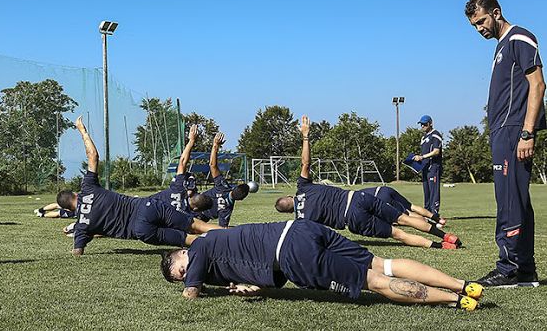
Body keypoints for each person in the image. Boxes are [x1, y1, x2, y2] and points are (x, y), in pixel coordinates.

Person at [160, 219, 483, 310]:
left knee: (374, 282)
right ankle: (462, 284)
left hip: (292, 252)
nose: (188, 275)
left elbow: (191, 295)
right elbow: (253, 263)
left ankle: (456, 299)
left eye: (181, 271)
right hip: (299, 228)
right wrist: (257, 286)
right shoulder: (217, 245)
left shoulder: (198, 250)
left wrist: (188, 290)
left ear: (182, 255)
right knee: (381, 264)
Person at [274, 116, 461, 249]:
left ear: (290, 211)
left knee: (398, 234)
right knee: (404, 218)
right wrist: (305, 136)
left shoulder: (302, 219)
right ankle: (446, 236)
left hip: (352, 219)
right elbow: (305, 162)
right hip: (358, 198)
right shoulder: (302, 187)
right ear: (290, 196)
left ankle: (440, 246)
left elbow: (319, 236)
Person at [465, 0, 545, 287]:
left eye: (481, 21)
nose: (479, 29)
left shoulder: (519, 38)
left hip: (514, 130)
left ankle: (508, 268)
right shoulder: (500, 46)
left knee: (510, 201)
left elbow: (538, 84)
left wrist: (527, 132)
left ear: (496, 12)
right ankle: (524, 269)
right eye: (474, 25)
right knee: (516, 201)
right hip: (502, 131)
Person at [56, 116, 222, 256]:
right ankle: (232, 237)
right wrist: (82, 131)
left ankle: (221, 246)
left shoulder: (83, 226)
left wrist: (81, 234)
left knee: (187, 239)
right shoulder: (88, 188)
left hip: (140, 229)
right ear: (75, 194)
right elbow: (93, 155)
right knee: (197, 226)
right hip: (148, 207)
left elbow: (78, 251)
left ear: (70, 210)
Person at [149, 125, 213, 213]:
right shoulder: (186, 217)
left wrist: (192, 141)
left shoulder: (180, 187)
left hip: (147, 205)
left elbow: (182, 162)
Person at [197, 133, 250, 227]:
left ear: (234, 188)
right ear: (241, 199)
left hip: (192, 206)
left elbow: (212, 165)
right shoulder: (227, 210)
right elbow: (222, 228)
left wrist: (215, 145)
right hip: (199, 219)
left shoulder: (223, 186)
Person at [360, 185, 446, 227]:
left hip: (381, 197)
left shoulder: (356, 202)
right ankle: (438, 219)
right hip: (385, 189)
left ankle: (432, 224)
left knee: (407, 214)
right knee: (412, 206)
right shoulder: (357, 193)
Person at [413, 115, 443, 217]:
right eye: (421, 124)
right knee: (426, 192)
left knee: (433, 191)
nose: (423, 126)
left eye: (425, 124)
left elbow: (436, 151)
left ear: (430, 123)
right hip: (425, 168)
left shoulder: (435, 135)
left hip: (433, 167)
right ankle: (427, 213)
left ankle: (434, 213)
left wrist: (422, 157)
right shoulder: (423, 137)